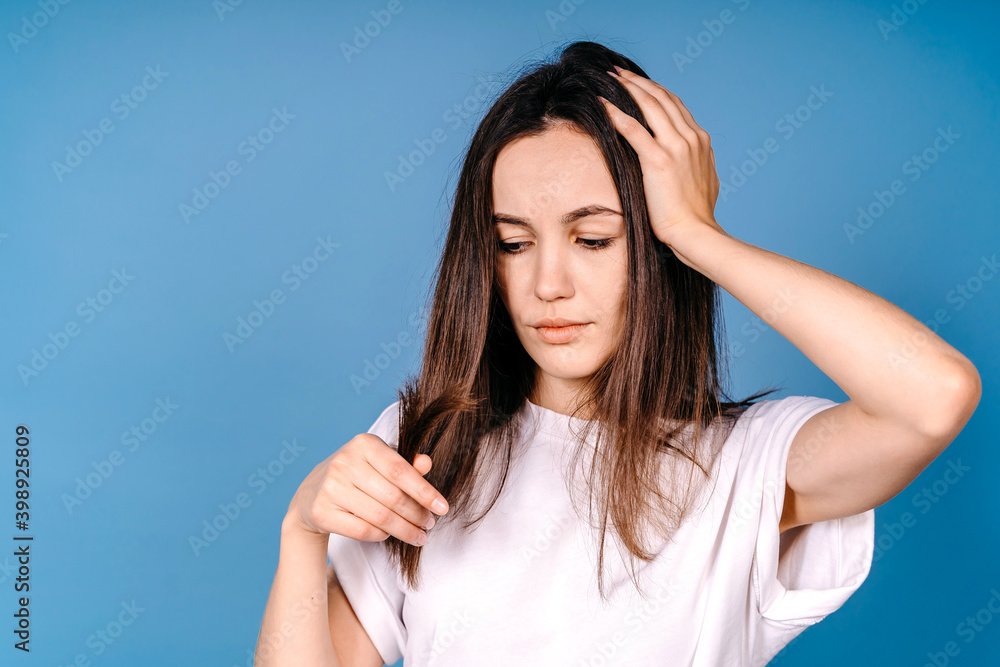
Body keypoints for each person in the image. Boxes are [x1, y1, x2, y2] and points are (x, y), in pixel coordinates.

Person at [254, 41, 981, 666]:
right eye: (512, 242)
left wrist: (702, 238)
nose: (546, 284)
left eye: (593, 238)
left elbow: (932, 395)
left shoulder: (744, 465)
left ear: (655, 245)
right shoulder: (425, 454)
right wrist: (302, 528)